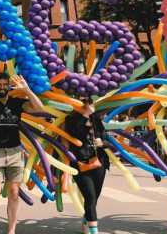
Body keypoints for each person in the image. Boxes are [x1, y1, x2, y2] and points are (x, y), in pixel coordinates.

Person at [0, 73, 45, 234]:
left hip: (15, 152)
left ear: (8, 86)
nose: (1, 87)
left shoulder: (16, 103)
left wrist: (27, 90)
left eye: (4, 84)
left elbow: (40, 109)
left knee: (14, 192)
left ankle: (11, 230)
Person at [64, 96, 109, 234]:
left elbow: (105, 138)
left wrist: (103, 143)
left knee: (94, 197)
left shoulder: (96, 120)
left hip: (99, 162)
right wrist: (85, 114)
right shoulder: (71, 119)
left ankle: (86, 219)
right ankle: (94, 230)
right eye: (83, 102)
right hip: (80, 164)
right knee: (89, 196)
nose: (86, 104)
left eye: (88, 102)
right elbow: (75, 132)